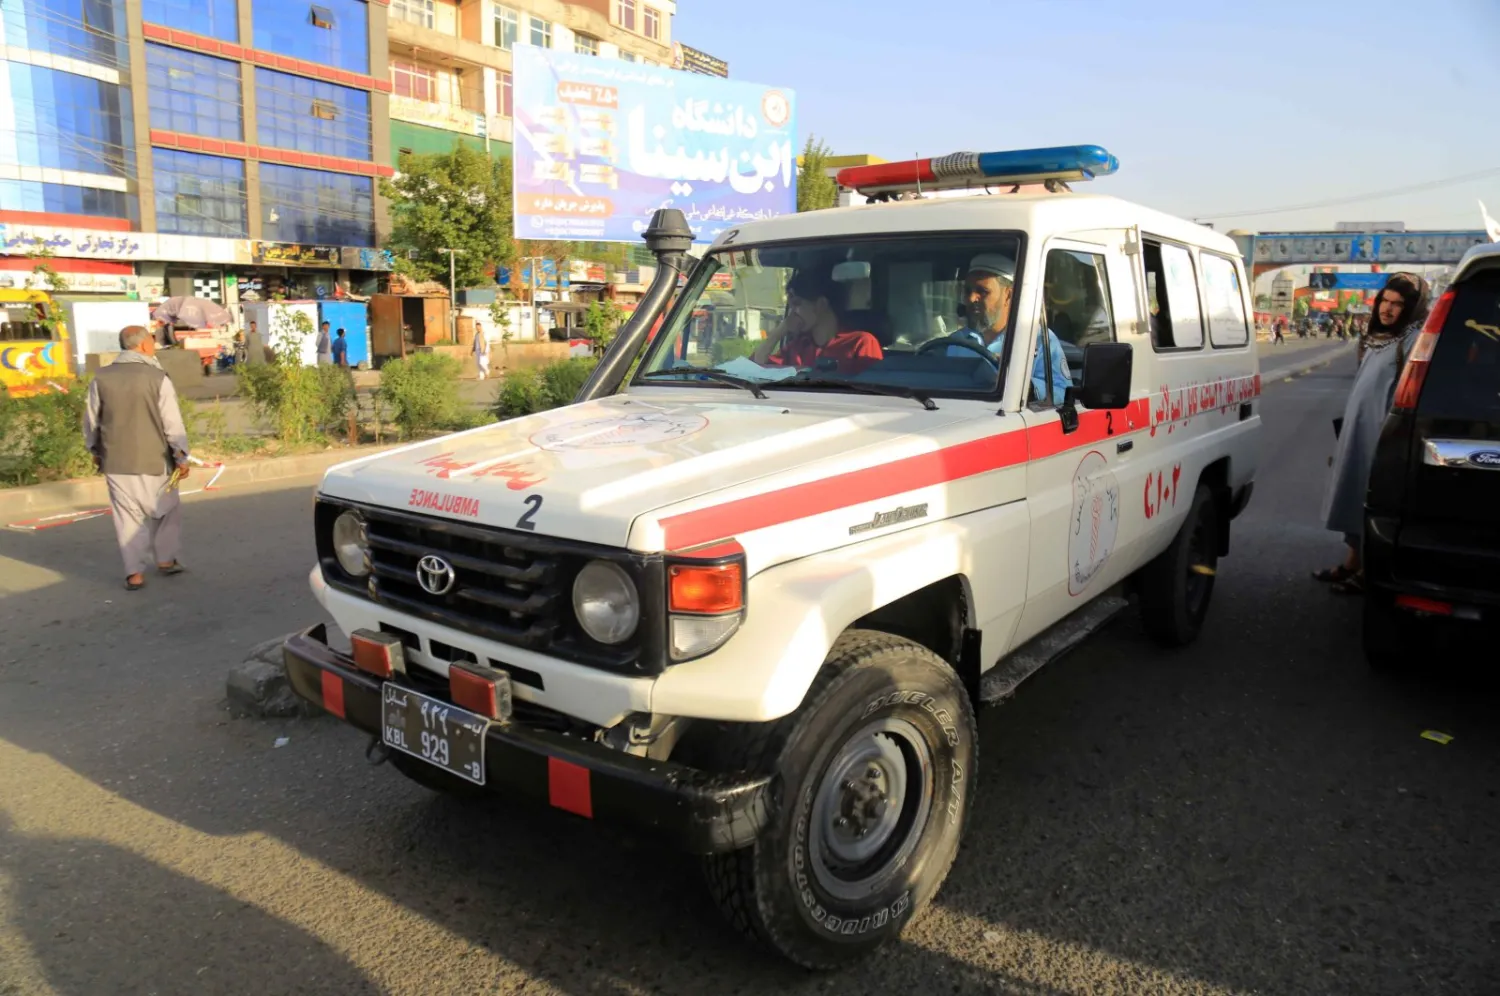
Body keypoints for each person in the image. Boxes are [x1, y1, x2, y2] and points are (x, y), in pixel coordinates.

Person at [1314, 272, 1430, 595]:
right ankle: (1352, 562)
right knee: (1353, 494)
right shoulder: (1379, 336)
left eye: (1397, 304)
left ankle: (1370, 571)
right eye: (1385, 301)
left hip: (1381, 435)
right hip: (1358, 429)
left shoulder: (1414, 339)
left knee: (1374, 501)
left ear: (1411, 308)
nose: (1387, 309)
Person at [83, 325, 192, 591]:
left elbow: (91, 419)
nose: (154, 345)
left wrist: (94, 450)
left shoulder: (101, 377)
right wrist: (181, 456)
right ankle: (165, 560)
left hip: (116, 459)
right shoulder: (158, 377)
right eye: (152, 341)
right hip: (156, 459)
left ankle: (134, 573)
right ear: (143, 345)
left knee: (126, 517)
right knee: (166, 510)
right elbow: (172, 423)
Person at [945, 254, 1072, 403]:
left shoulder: (1037, 339)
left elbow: (1063, 392)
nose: (972, 298)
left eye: (983, 291)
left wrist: (1020, 384)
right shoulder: (955, 342)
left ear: (1008, 295)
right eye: (968, 291)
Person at [752, 269, 883, 375]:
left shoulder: (861, 343)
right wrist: (778, 332)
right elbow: (755, 369)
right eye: (790, 307)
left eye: (797, 304)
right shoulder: (798, 346)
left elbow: (874, 390)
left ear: (821, 304)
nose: (792, 314)